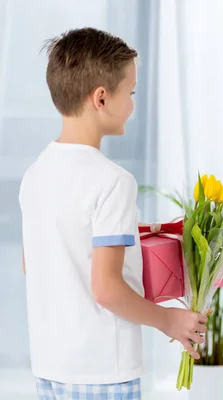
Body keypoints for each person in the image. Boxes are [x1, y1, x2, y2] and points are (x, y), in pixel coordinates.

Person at [19, 28, 207, 399]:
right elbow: (106, 289)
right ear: (101, 98)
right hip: (103, 370)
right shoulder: (112, 181)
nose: (134, 104)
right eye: (131, 92)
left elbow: (35, 264)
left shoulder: (35, 174)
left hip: (50, 365)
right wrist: (169, 320)